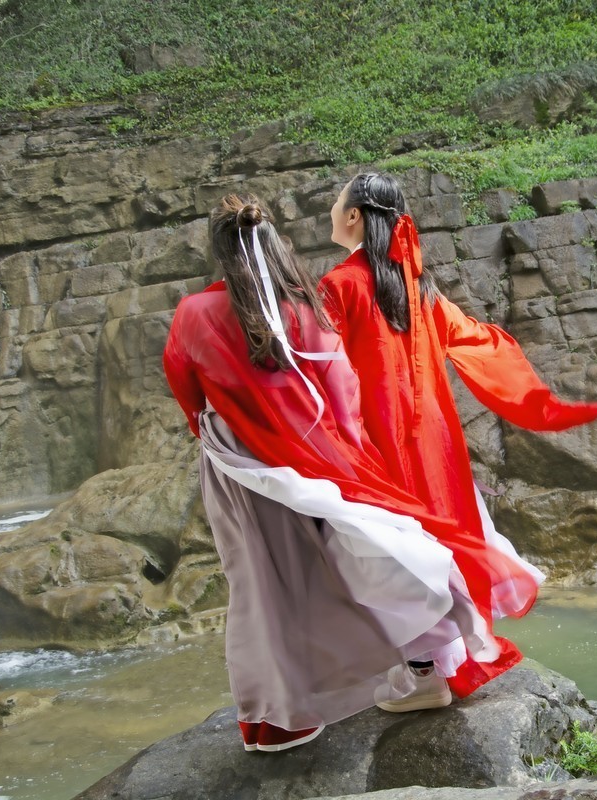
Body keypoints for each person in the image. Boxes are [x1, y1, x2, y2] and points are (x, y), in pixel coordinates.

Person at [163, 195, 503, 751]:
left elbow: (187, 391)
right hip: (319, 459)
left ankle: (285, 716)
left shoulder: (194, 313)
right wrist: (348, 453)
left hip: (244, 469)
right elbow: (342, 390)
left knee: (266, 586)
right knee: (366, 556)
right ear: (277, 244)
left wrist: (220, 431)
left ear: (219, 252)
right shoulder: (305, 307)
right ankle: (424, 666)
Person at [318, 172, 597, 712]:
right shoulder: (418, 285)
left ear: (354, 215)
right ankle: (440, 664)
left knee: (381, 555)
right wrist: (540, 403)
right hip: (434, 448)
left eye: (336, 203)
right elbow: (480, 343)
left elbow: (328, 375)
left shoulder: (340, 286)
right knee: (430, 547)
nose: (332, 211)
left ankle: (423, 675)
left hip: (377, 446)